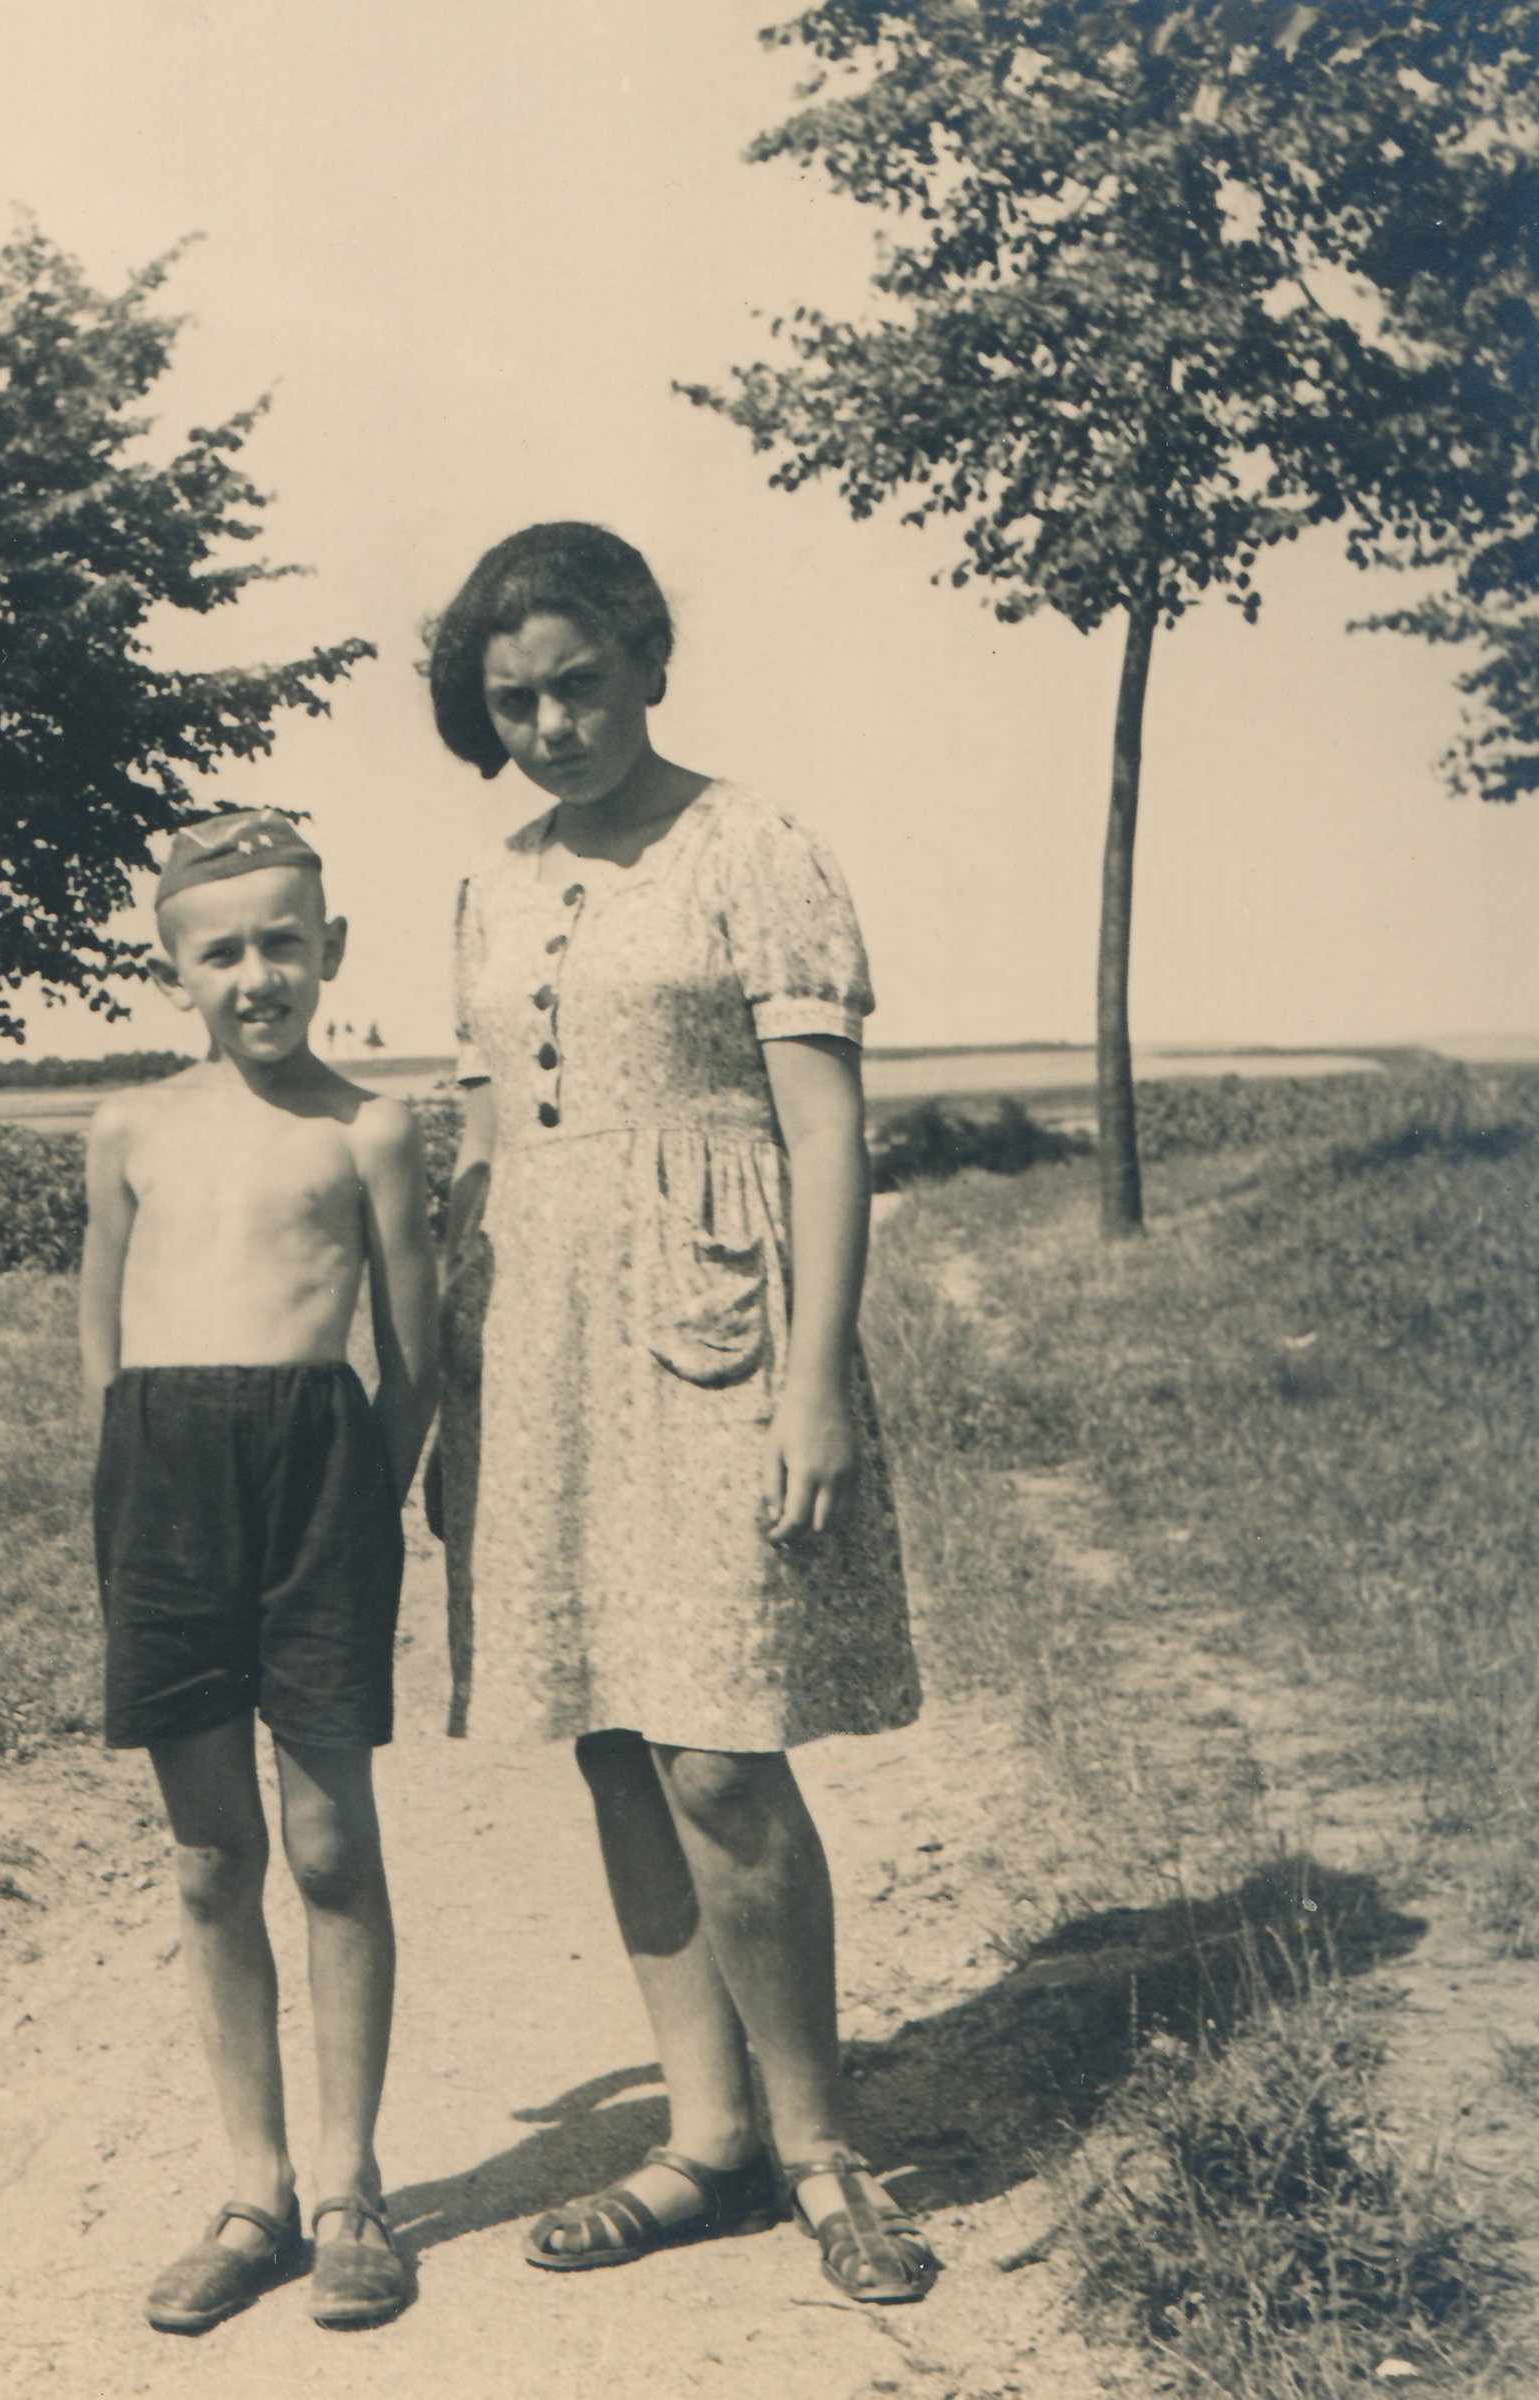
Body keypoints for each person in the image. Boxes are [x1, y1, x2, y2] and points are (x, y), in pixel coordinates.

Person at [427, 524, 939, 2302]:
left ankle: (819, 2151)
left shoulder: (750, 846)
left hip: (716, 1330)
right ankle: (704, 2141)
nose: (551, 726)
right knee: (609, 1730)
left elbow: (824, 1131)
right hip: (538, 1349)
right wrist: (451, 1391)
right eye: (513, 703)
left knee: (720, 1745)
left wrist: (816, 1382)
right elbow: (482, 1147)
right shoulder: (489, 884)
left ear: (647, 659)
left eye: (578, 684)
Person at [80, 808, 439, 2334]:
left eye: (283, 943)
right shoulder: (129, 1128)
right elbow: (102, 1343)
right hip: (164, 1485)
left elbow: (412, 1362)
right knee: (210, 1857)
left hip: (317, 1484)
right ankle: (253, 2192)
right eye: (220, 951)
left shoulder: (368, 1130)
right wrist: (133, 1494)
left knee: (331, 1846)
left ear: (329, 949)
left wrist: (363, 1508)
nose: (256, 976)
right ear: (175, 972)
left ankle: (350, 2188)